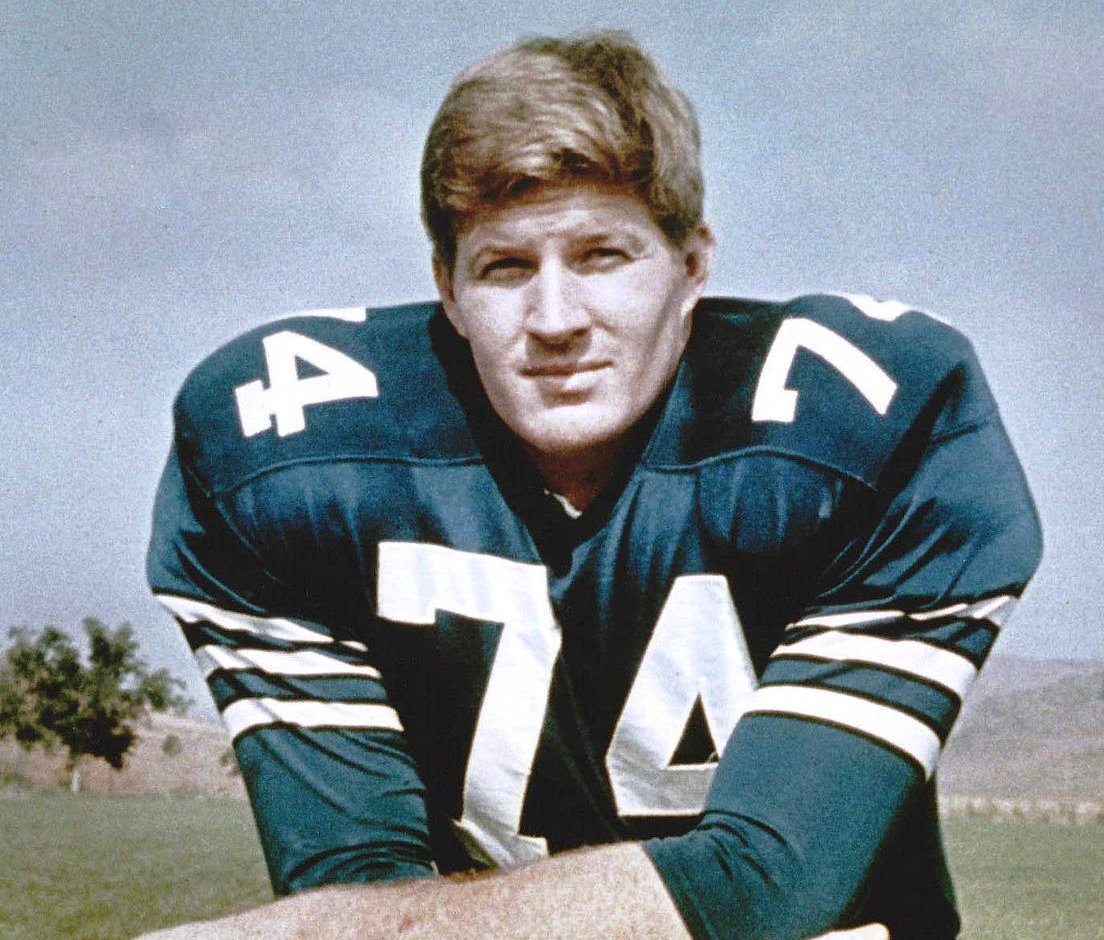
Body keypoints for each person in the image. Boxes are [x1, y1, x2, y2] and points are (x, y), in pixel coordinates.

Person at [142, 32, 1041, 940]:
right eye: (505, 266)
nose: (555, 319)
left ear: (692, 265)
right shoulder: (284, 462)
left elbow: (769, 884)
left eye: (603, 255)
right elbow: (358, 883)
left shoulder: (874, 426)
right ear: (447, 289)